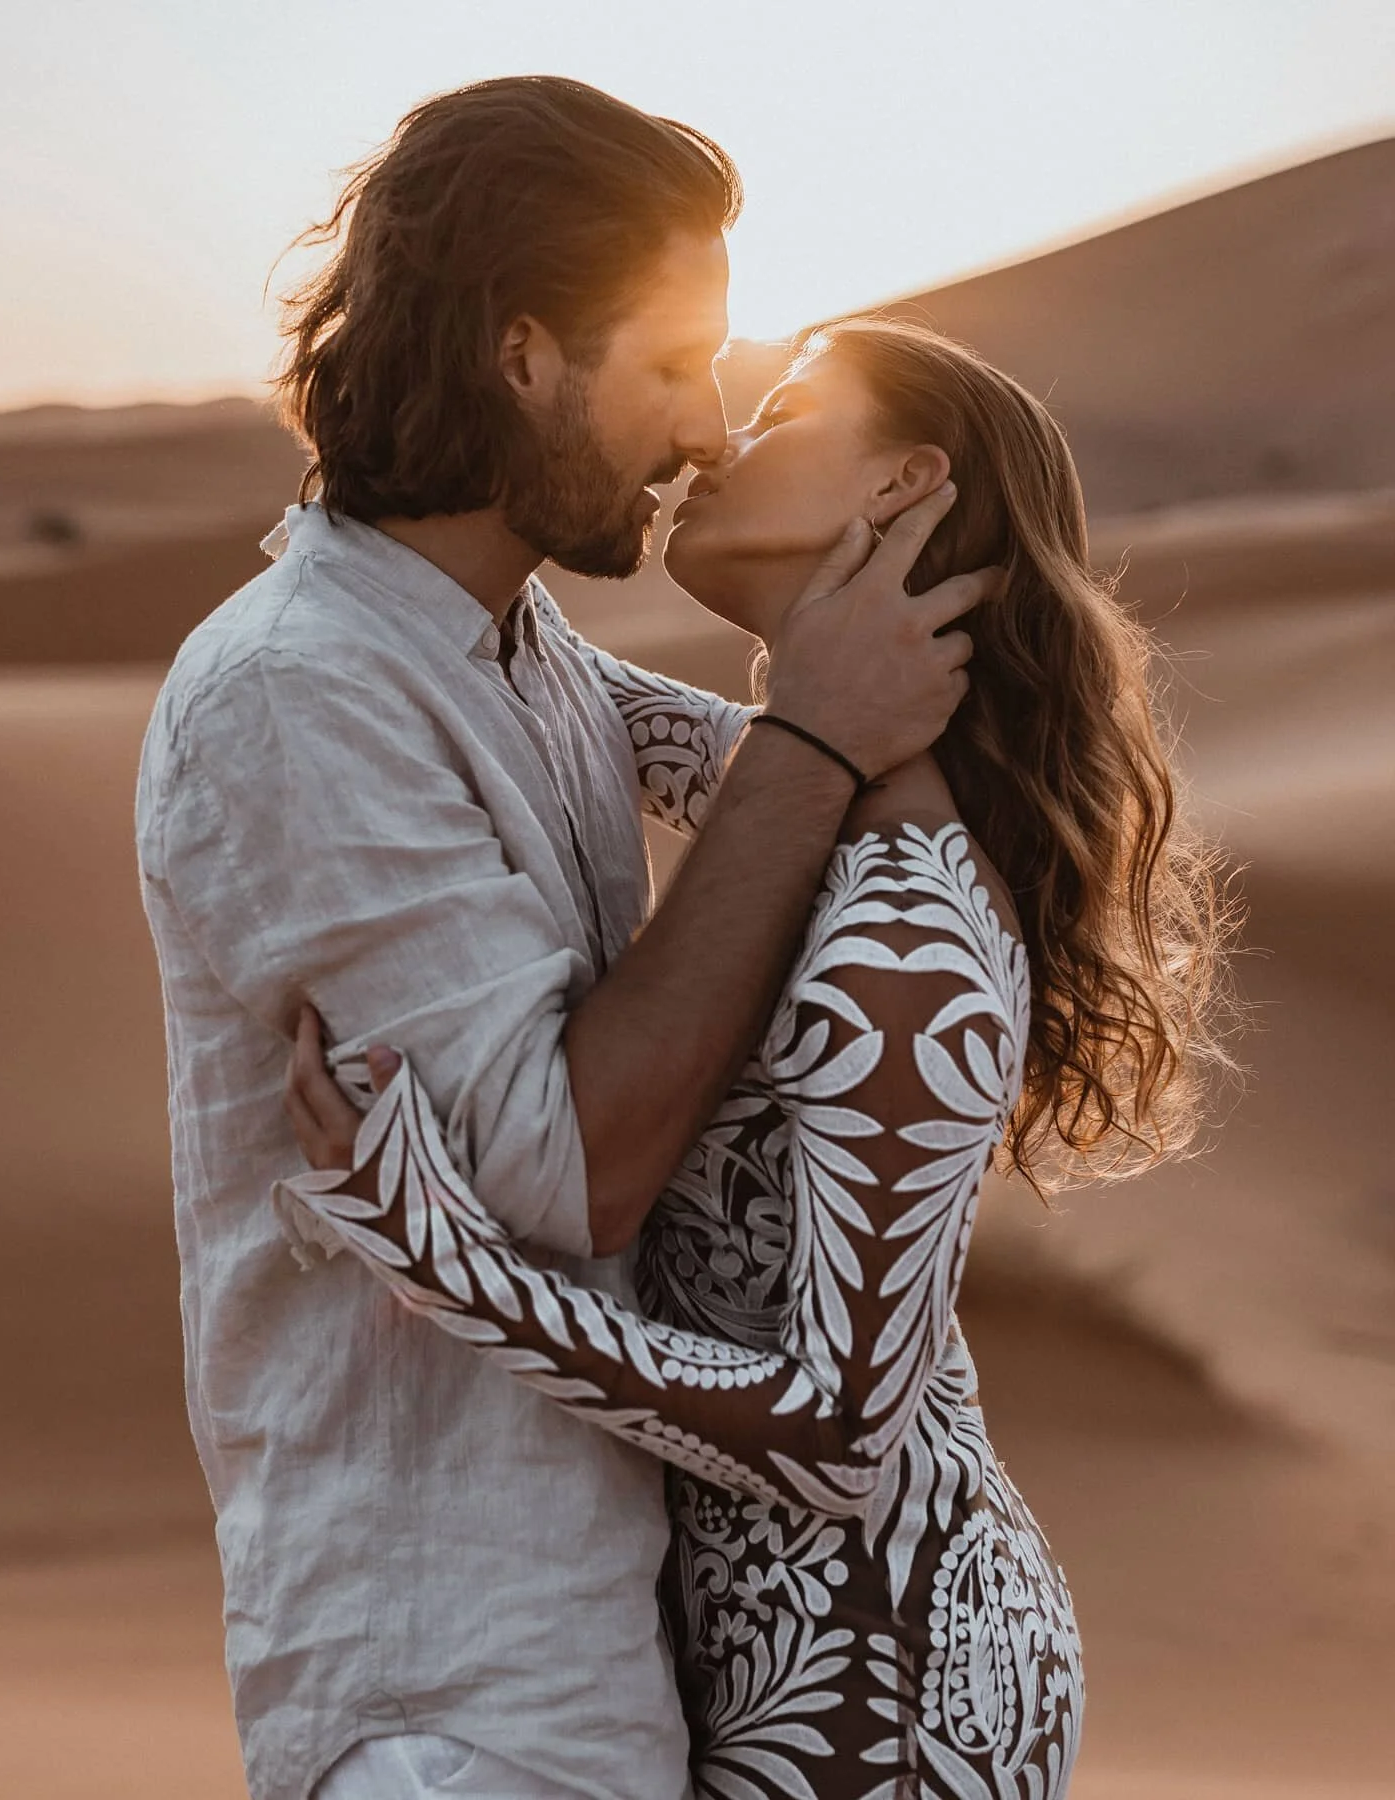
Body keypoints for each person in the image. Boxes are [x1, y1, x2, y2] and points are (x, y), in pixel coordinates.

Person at [135, 78, 991, 1800]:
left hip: (621, 1666)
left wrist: (862, 723)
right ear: (525, 354)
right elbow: (568, 1171)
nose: (704, 432)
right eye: (671, 366)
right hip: (443, 1692)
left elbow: (813, 795)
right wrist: (817, 739)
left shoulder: (519, 656)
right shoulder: (302, 692)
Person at [280, 317, 1236, 1798]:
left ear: (901, 486)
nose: (721, 437)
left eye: (786, 410)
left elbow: (843, 1432)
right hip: (779, 1657)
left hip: (895, 1685)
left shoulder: (908, 940)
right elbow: (545, 670)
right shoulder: (802, 780)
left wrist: (447, 1260)